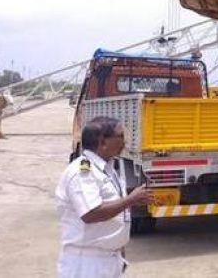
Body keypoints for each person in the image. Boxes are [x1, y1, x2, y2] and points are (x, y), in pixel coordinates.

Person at [56, 117, 155, 278]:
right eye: (120, 136)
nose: (125, 142)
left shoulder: (106, 168)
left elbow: (112, 207)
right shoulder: (82, 172)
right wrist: (130, 199)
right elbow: (90, 213)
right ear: (103, 142)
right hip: (87, 264)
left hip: (107, 259)